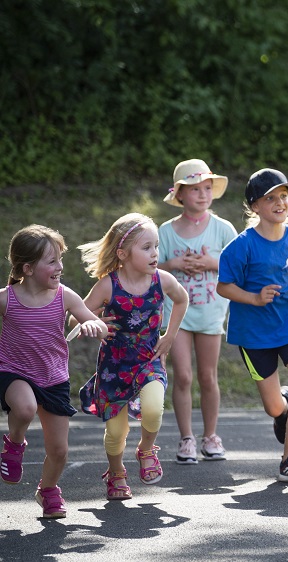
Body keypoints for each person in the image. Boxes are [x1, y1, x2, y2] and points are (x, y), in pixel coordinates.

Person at [217, 168, 288, 485]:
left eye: (284, 196)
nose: (280, 203)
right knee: (273, 407)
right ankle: (283, 407)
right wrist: (253, 298)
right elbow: (223, 286)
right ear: (255, 206)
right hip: (253, 332)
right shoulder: (241, 246)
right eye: (271, 198)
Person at [78, 213, 189, 501]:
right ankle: (116, 473)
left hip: (149, 360)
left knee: (153, 409)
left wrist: (170, 335)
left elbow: (182, 299)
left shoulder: (162, 280)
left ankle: (146, 449)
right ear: (123, 254)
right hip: (114, 367)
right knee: (116, 432)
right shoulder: (107, 285)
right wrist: (94, 323)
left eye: (156, 246)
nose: (155, 253)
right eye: (146, 247)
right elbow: (76, 317)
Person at [0, 225, 108, 518]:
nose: (60, 266)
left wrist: (92, 324)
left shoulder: (65, 296)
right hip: (14, 372)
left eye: (60, 259)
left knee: (59, 451)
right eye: (52, 261)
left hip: (53, 378)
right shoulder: (7, 298)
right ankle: (15, 443)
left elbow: (100, 326)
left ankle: (47, 490)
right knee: (25, 408)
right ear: (28, 268)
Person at [159, 159, 238, 464]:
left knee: (207, 376)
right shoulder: (166, 232)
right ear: (179, 194)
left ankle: (211, 436)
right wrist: (172, 264)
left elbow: (239, 266)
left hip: (210, 312)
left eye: (207, 188)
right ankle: (186, 438)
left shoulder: (223, 229)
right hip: (176, 314)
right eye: (195, 189)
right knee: (183, 376)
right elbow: (151, 270)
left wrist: (210, 263)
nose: (203, 194)